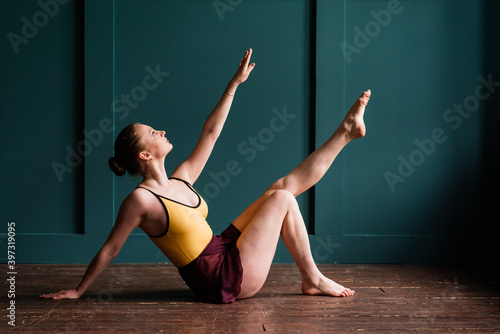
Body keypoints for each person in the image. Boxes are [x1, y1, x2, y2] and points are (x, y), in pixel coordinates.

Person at [41, 48, 370, 303]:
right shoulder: (141, 200)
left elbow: (210, 134)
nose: (163, 131)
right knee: (283, 198)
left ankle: (345, 132)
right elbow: (111, 248)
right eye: (154, 132)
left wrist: (233, 85)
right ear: (144, 155)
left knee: (279, 190)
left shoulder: (181, 177)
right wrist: (79, 289)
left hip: (224, 247)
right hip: (220, 277)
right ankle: (311, 277)